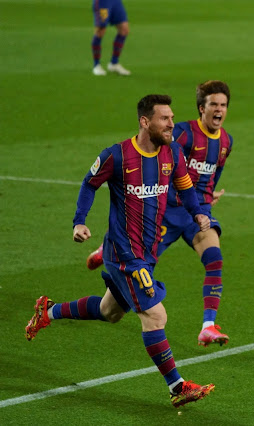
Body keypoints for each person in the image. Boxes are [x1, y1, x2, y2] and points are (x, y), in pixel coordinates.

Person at [25, 95, 215, 407]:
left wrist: (198, 212)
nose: (172, 124)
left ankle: (47, 311)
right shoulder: (118, 155)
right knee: (155, 315)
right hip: (124, 253)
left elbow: (185, 188)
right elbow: (89, 184)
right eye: (164, 119)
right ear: (145, 122)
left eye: (172, 118)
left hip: (148, 251)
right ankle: (177, 387)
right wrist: (79, 222)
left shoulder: (173, 152)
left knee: (109, 312)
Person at [86, 80, 233, 348]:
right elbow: (157, 159)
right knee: (113, 308)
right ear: (202, 108)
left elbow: (215, 172)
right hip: (164, 214)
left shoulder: (225, 141)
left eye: (223, 105)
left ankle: (208, 326)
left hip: (195, 213)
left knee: (214, 259)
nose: (219, 110)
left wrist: (208, 197)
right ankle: (106, 246)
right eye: (214, 104)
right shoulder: (183, 135)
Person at [91, 0, 131, 76]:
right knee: (101, 31)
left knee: (124, 29)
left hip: (115, 2)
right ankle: (96, 65)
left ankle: (114, 63)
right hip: (103, 3)